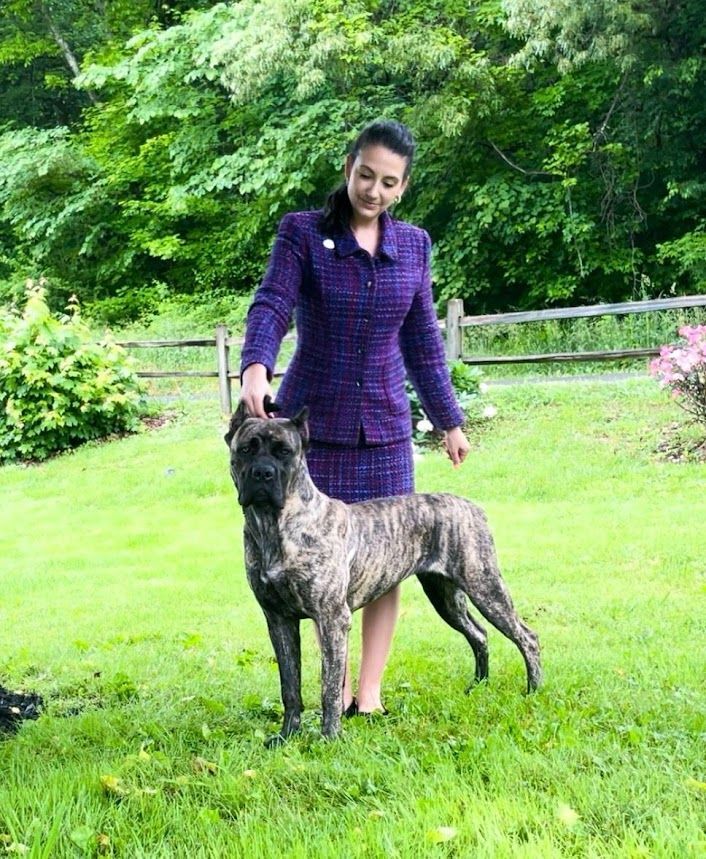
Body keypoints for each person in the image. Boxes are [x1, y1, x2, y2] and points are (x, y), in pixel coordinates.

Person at [239, 119, 470, 716]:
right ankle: (330, 693)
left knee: (385, 564)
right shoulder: (302, 232)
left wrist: (448, 420)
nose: (374, 190)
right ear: (348, 167)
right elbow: (273, 302)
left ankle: (367, 693)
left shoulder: (414, 245)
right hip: (312, 434)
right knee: (313, 565)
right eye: (365, 175)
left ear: (403, 187)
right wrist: (257, 366)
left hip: (386, 429)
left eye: (389, 182)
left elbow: (422, 341)